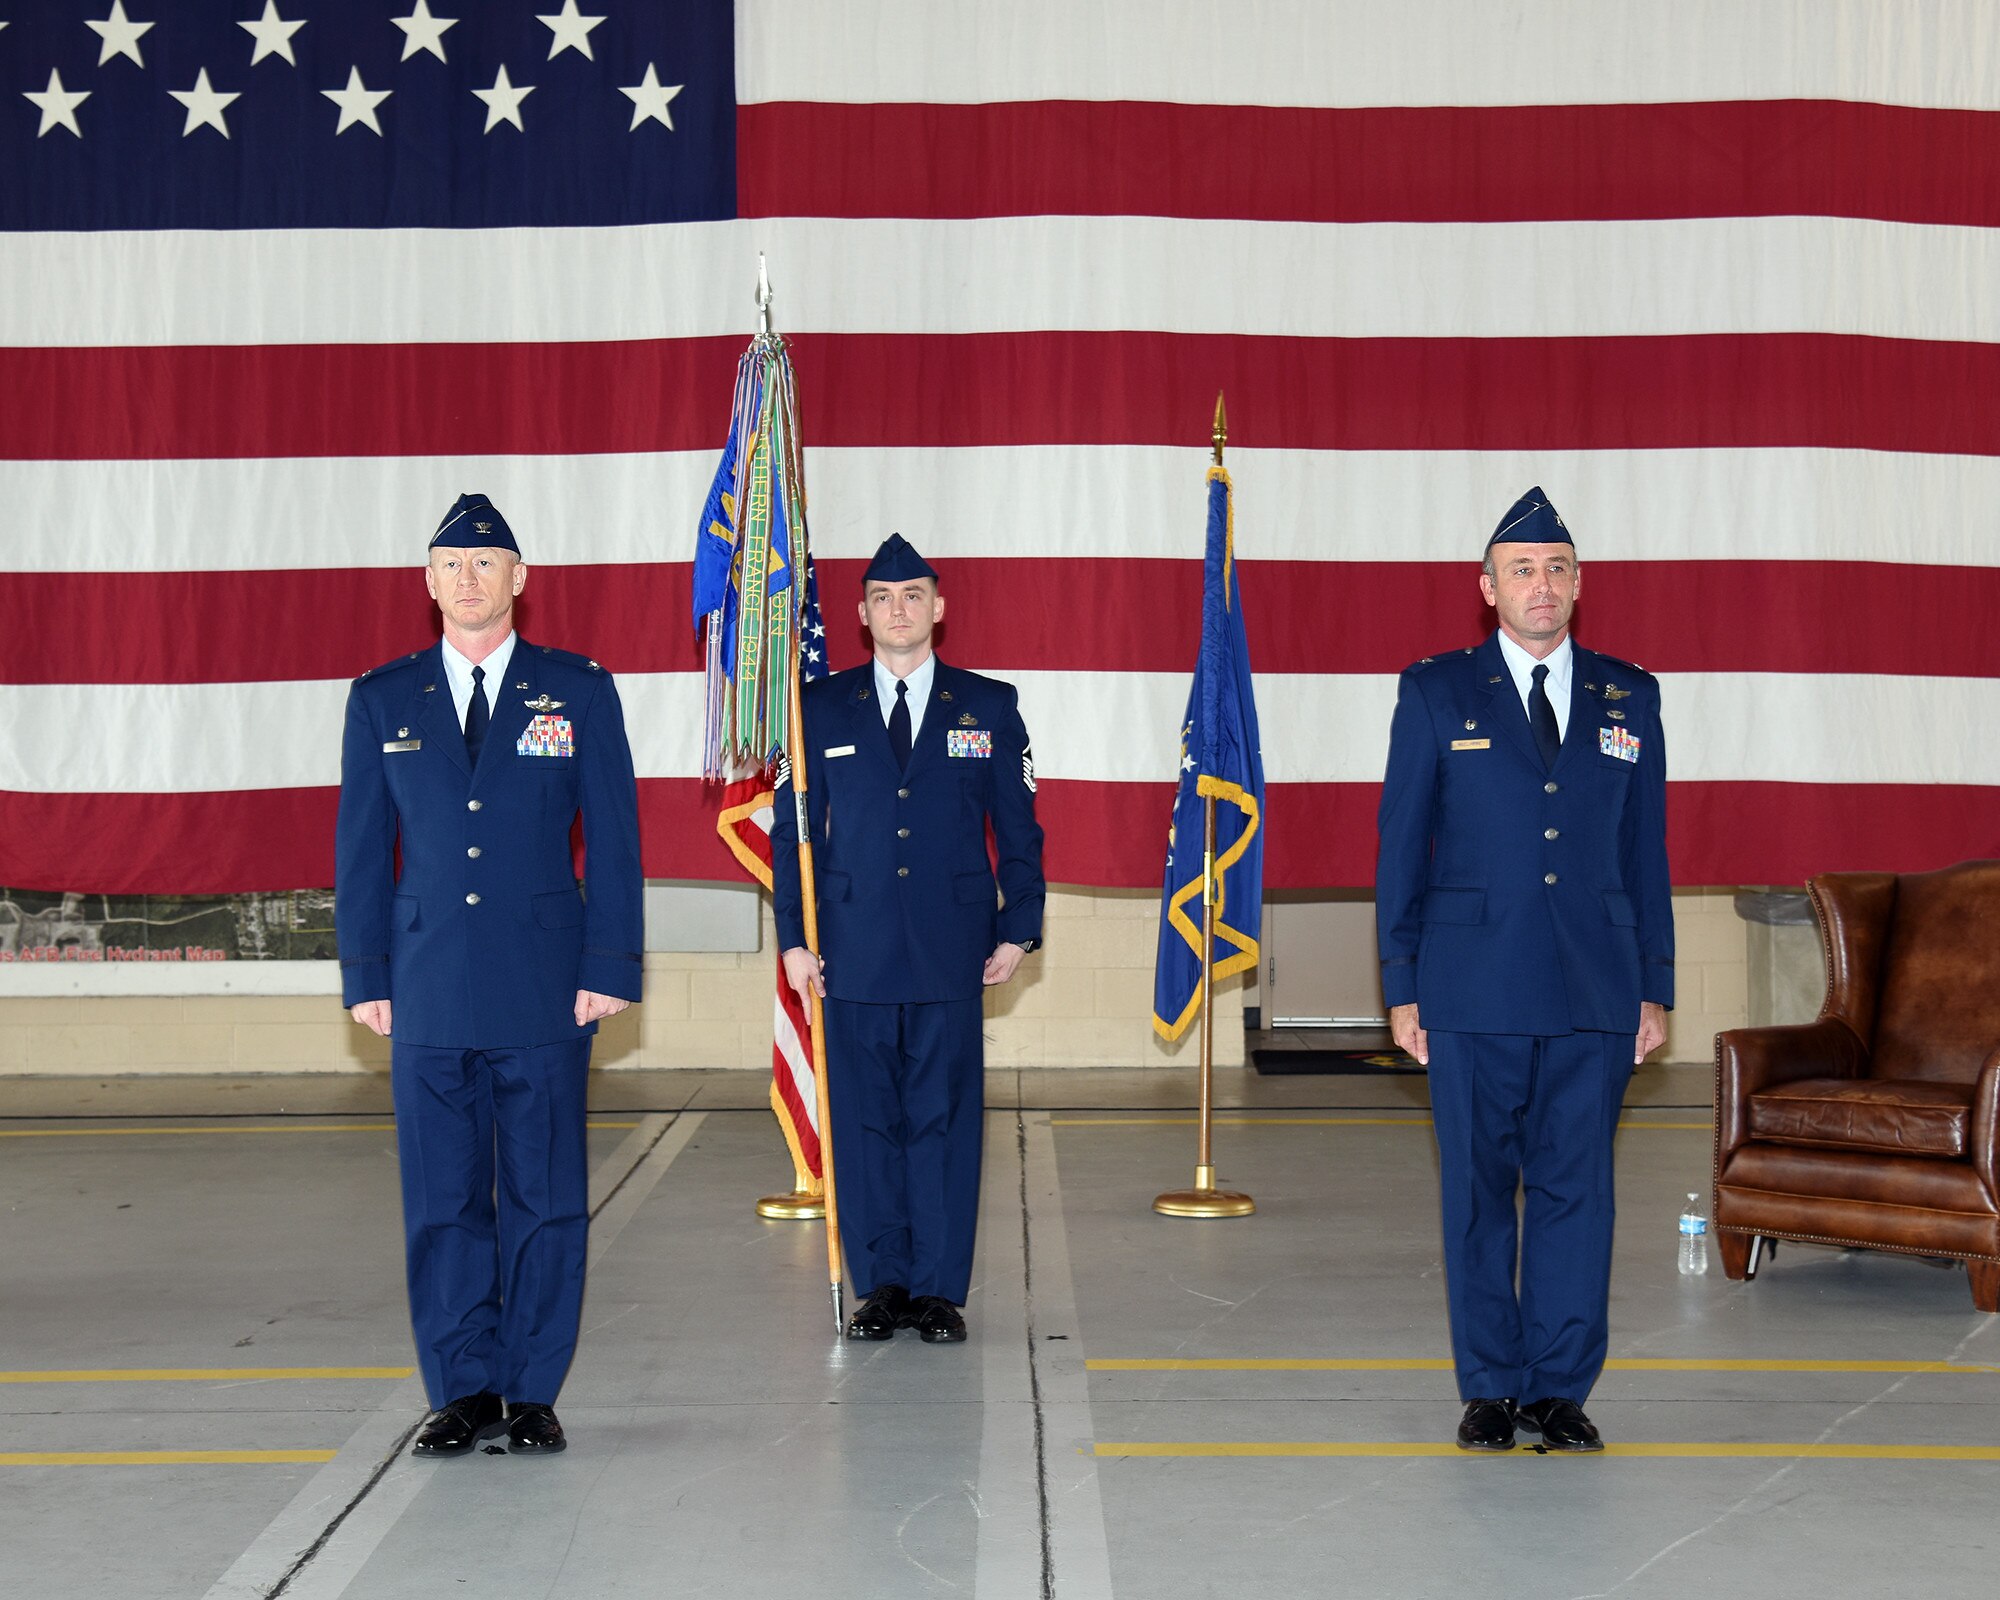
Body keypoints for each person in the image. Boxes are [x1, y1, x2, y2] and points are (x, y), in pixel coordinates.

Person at [336, 492, 643, 1456]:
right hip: (425, 984)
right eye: (450, 566)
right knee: (443, 1199)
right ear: (428, 584)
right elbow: (360, 851)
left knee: (546, 1197)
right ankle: (461, 1386)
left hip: (546, 981)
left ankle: (532, 1387)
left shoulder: (578, 690)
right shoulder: (384, 697)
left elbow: (618, 842)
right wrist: (365, 973)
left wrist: (610, 963)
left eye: (486, 564)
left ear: (521, 578)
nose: (468, 581)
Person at [1374, 487, 1672, 1453]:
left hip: (1595, 985)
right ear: (1486, 588)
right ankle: (1492, 1384)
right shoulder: (1435, 691)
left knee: (1577, 1190)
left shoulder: (1632, 694)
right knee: (1476, 1188)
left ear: (1577, 584)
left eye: (1555, 569)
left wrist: (1654, 983)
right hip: (1472, 984)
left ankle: (1559, 1386)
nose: (1539, 586)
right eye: (1520, 570)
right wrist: (1403, 981)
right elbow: (1401, 847)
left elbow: (1646, 853)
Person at [772, 533, 1045, 1344]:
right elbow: (793, 836)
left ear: (939, 608)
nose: (900, 610)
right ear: (860, 615)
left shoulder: (987, 705)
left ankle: (937, 1289)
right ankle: (882, 1283)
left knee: (944, 1119)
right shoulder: (817, 708)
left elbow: (1019, 828)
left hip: (952, 944)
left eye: (915, 596)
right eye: (884, 598)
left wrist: (1019, 926)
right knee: (864, 1122)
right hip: (848, 947)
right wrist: (793, 933)